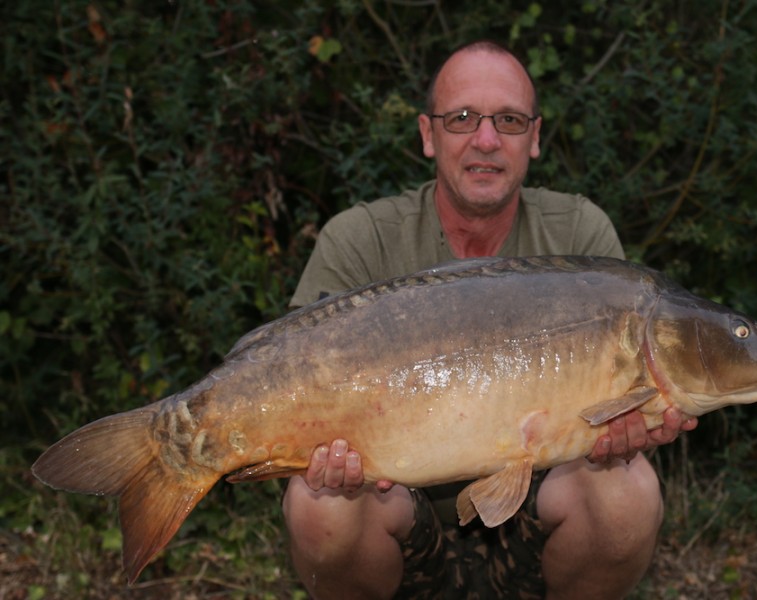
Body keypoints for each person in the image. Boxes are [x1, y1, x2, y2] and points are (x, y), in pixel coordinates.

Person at [282, 40, 698, 599]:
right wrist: (315, 456)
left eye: (508, 119)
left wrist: (626, 431)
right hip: (398, 519)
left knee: (628, 492)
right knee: (318, 505)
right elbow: (286, 379)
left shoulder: (579, 236)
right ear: (428, 135)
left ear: (535, 136)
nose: (486, 140)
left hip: (540, 517)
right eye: (461, 119)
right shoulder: (361, 240)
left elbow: (615, 413)